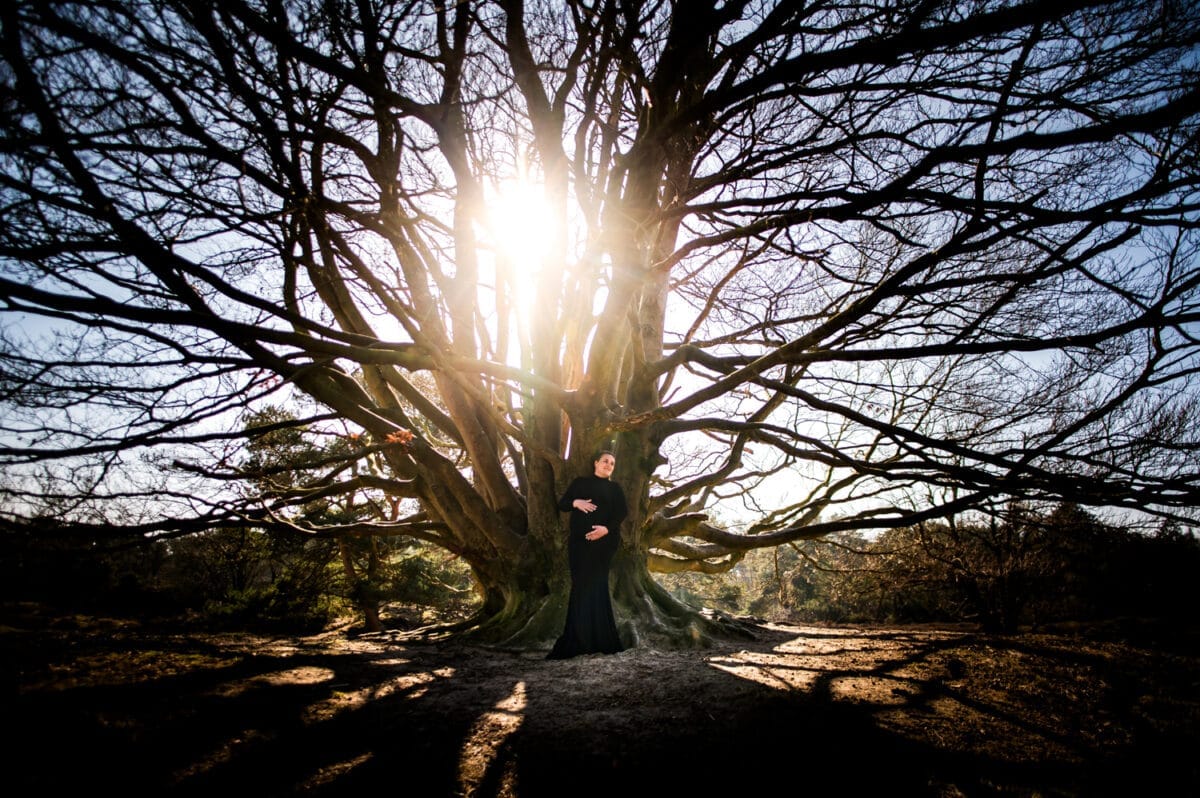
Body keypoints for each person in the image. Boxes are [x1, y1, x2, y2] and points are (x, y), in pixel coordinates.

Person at [546, 450, 628, 660]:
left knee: (598, 586)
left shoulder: (614, 488)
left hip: (604, 545)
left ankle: (601, 640)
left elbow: (621, 513)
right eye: (605, 461)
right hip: (579, 545)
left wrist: (605, 530)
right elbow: (563, 504)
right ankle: (578, 640)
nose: (608, 465)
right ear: (595, 463)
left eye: (612, 463)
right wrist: (576, 503)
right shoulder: (580, 483)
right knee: (580, 587)